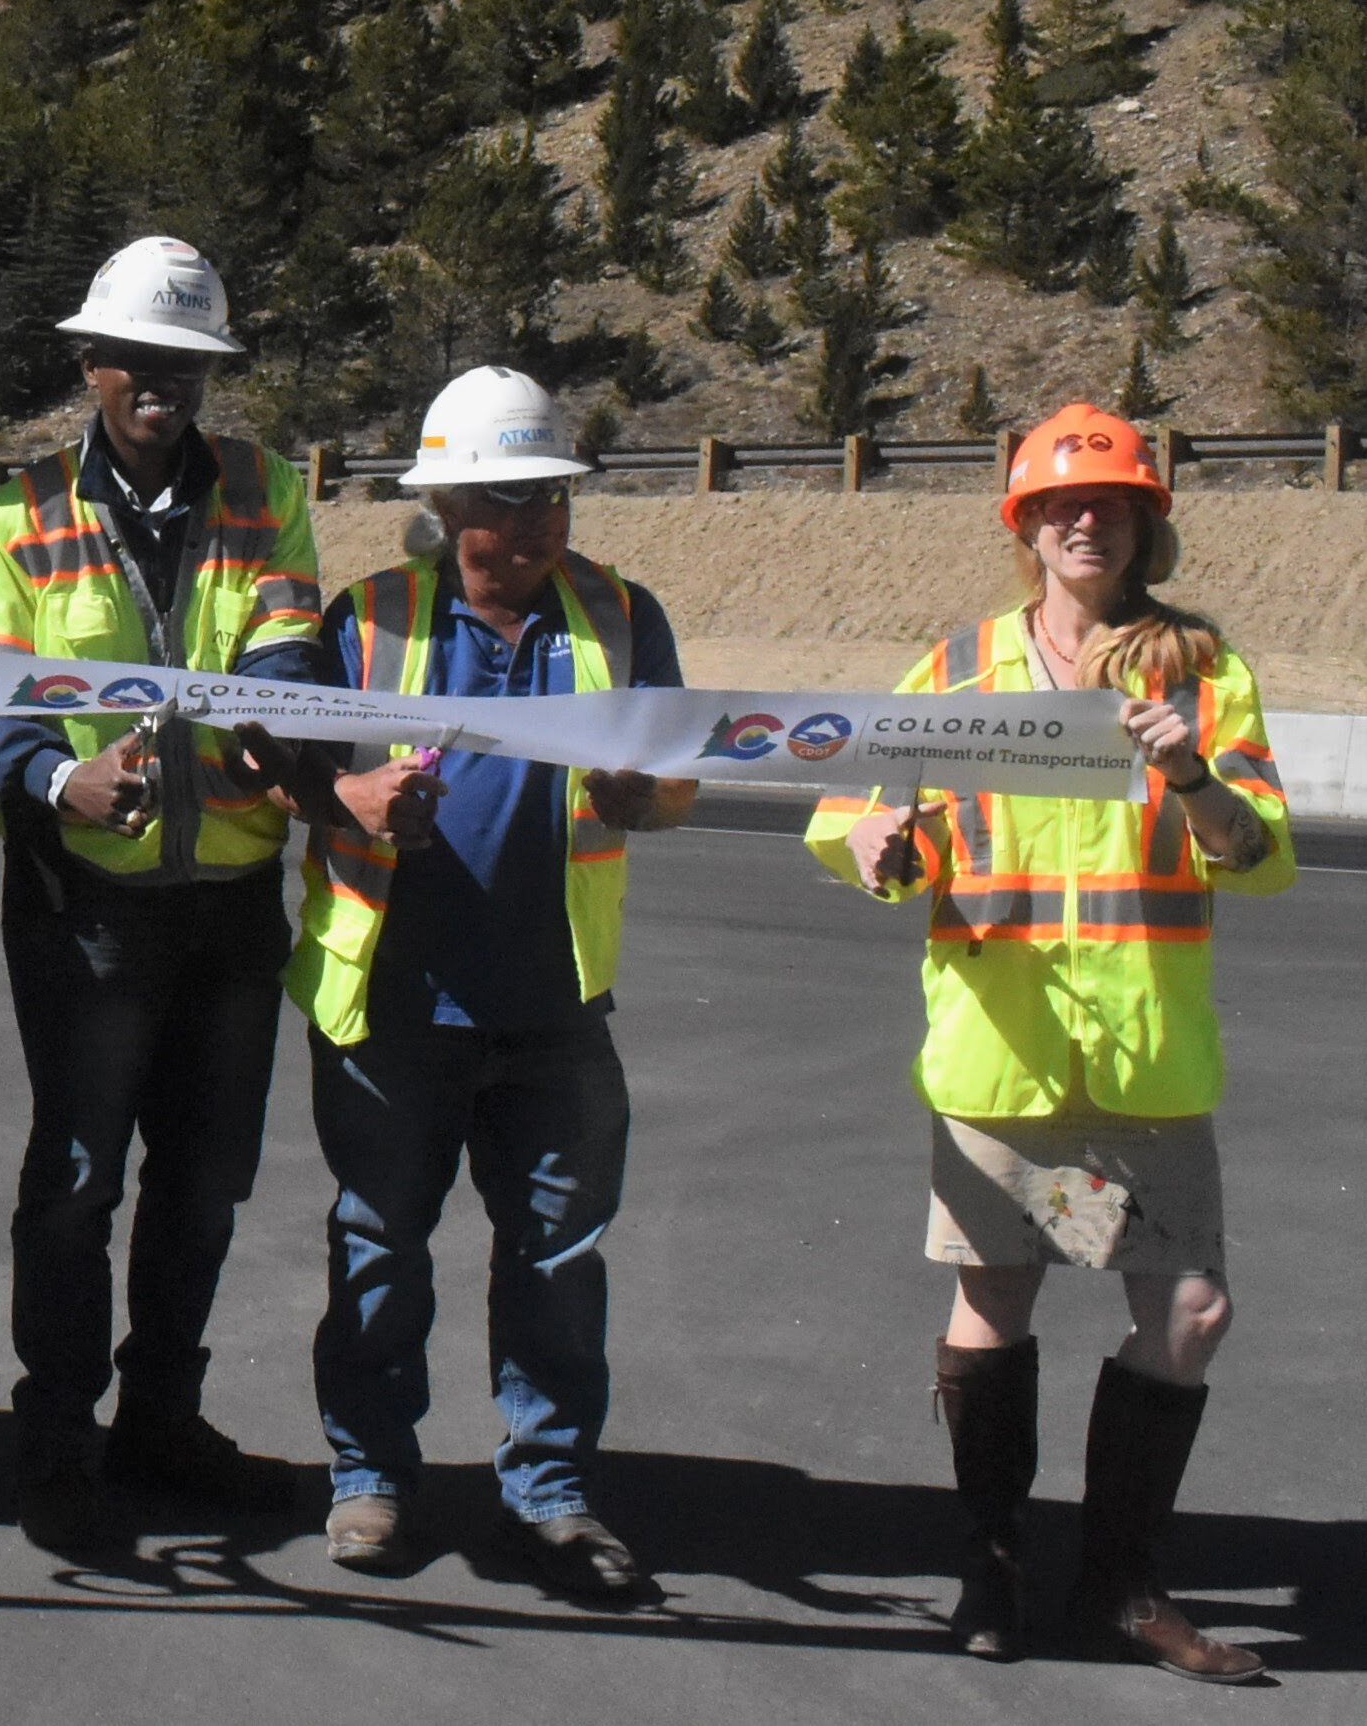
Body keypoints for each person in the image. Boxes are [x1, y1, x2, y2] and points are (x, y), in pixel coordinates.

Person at [803, 403, 1291, 1683]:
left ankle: (1124, 1583)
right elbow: (856, 819)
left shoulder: (1201, 671)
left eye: (1114, 504)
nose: (1089, 521)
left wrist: (1195, 779)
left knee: (1190, 1313)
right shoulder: (954, 668)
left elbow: (1256, 856)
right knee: (995, 1304)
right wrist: (870, 846)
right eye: (1062, 506)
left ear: (1145, 525)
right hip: (999, 1056)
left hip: (1143, 1061)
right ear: (1024, 524)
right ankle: (994, 1568)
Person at [267, 366, 693, 1600]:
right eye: (508, 500)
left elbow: (675, 781)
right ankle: (369, 1478)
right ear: (447, 505)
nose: (539, 522)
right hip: (395, 1002)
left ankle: (550, 1494)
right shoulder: (371, 618)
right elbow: (285, 761)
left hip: (557, 1009)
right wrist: (344, 797)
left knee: (558, 1264)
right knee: (380, 1251)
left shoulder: (620, 614)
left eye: (552, 496)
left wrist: (646, 798)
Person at [0, 236, 321, 1551]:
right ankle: (56, 1432)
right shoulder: (17, 516)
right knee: (79, 1176)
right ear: (91, 364)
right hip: (82, 904)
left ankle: (161, 1415)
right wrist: (58, 780)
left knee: (205, 1178)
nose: (160, 380)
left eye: (186, 360)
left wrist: (287, 720)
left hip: (229, 898)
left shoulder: (271, 492)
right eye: (135, 358)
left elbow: (287, 636)